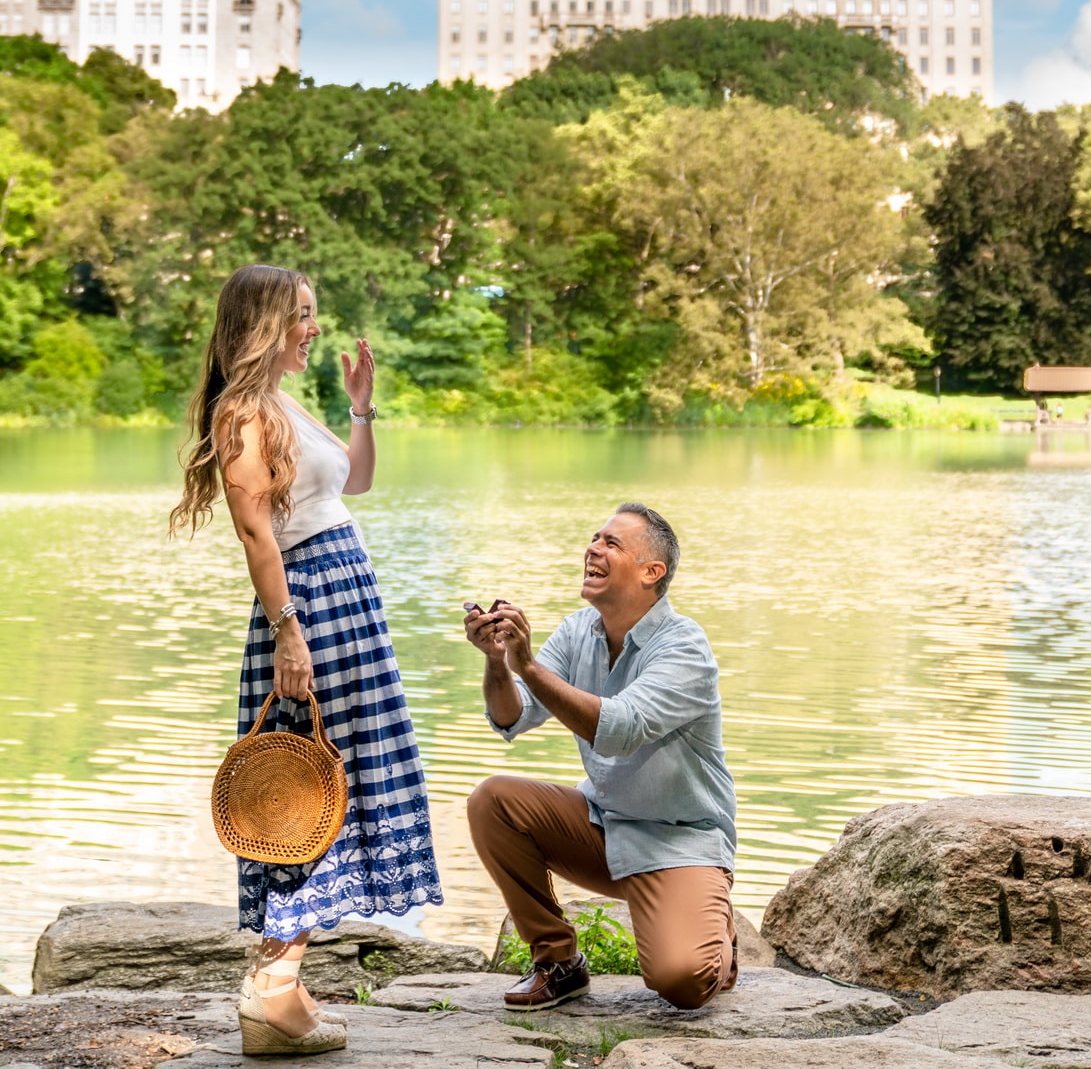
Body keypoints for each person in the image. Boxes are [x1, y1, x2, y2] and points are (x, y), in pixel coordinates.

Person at [171, 264, 442, 1056]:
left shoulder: (282, 403)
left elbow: (352, 482)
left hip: (343, 605)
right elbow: (257, 531)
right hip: (311, 607)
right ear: (264, 322)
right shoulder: (243, 414)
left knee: (334, 784)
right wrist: (290, 629)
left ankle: (283, 985)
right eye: (304, 315)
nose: (315, 328)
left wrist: (362, 408)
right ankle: (272, 988)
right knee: (300, 790)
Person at [465, 502, 737, 1014]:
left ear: (651, 572)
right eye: (595, 539)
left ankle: (717, 933)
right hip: (603, 824)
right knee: (492, 801)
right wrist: (500, 664)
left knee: (683, 983)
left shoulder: (685, 648)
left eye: (612, 543)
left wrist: (526, 662)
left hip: (680, 840)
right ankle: (558, 963)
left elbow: (619, 729)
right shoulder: (577, 630)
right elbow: (513, 716)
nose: (593, 548)